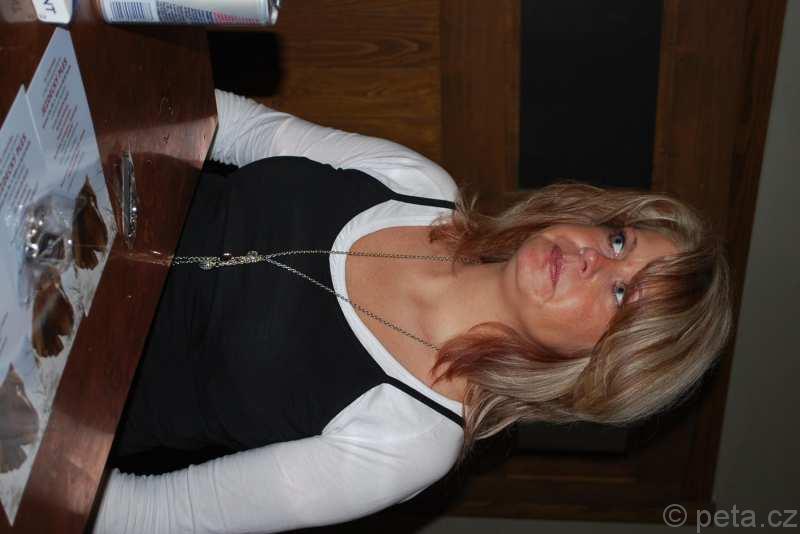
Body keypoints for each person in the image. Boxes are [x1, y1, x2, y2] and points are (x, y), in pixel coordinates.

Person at [92, 90, 732, 533]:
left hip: (63, 382)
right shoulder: (418, 186)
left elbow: (155, 514)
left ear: (598, 369)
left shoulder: (411, 442)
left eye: (621, 296)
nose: (595, 258)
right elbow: (231, 126)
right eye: (619, 241)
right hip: (78, 206)